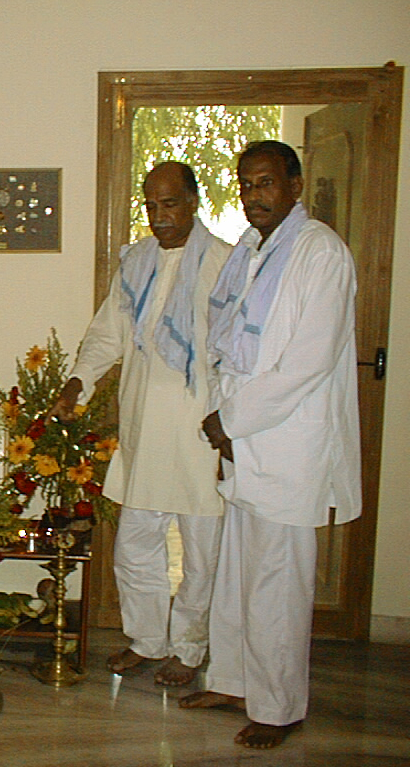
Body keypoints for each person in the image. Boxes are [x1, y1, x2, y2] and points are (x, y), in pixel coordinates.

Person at [180, 140, 361, 749]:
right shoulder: (254, 251)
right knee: (237, 572)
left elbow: (306, 361)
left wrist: (233, 420)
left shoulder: (320, 253)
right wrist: (225, 419)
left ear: (295, 185)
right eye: (246, 184)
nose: (254, 195)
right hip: (244, 438)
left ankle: (279, 707)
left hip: (286, 442)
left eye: (265, 183)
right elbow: (227, 339)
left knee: (278, 581)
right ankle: (234, 680)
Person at [48, 161, 230, 686]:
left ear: (194, 202)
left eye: (169, 203)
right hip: (144, 429)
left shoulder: (224, 264)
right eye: (150, 205)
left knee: (201, 553)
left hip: (200, 434)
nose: (159, 215)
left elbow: (236, 355)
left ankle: (190, 650)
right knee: (135, 546)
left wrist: (232, 429)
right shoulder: (136, 262)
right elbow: (108, 333)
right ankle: (148, 641)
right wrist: (79, 383)